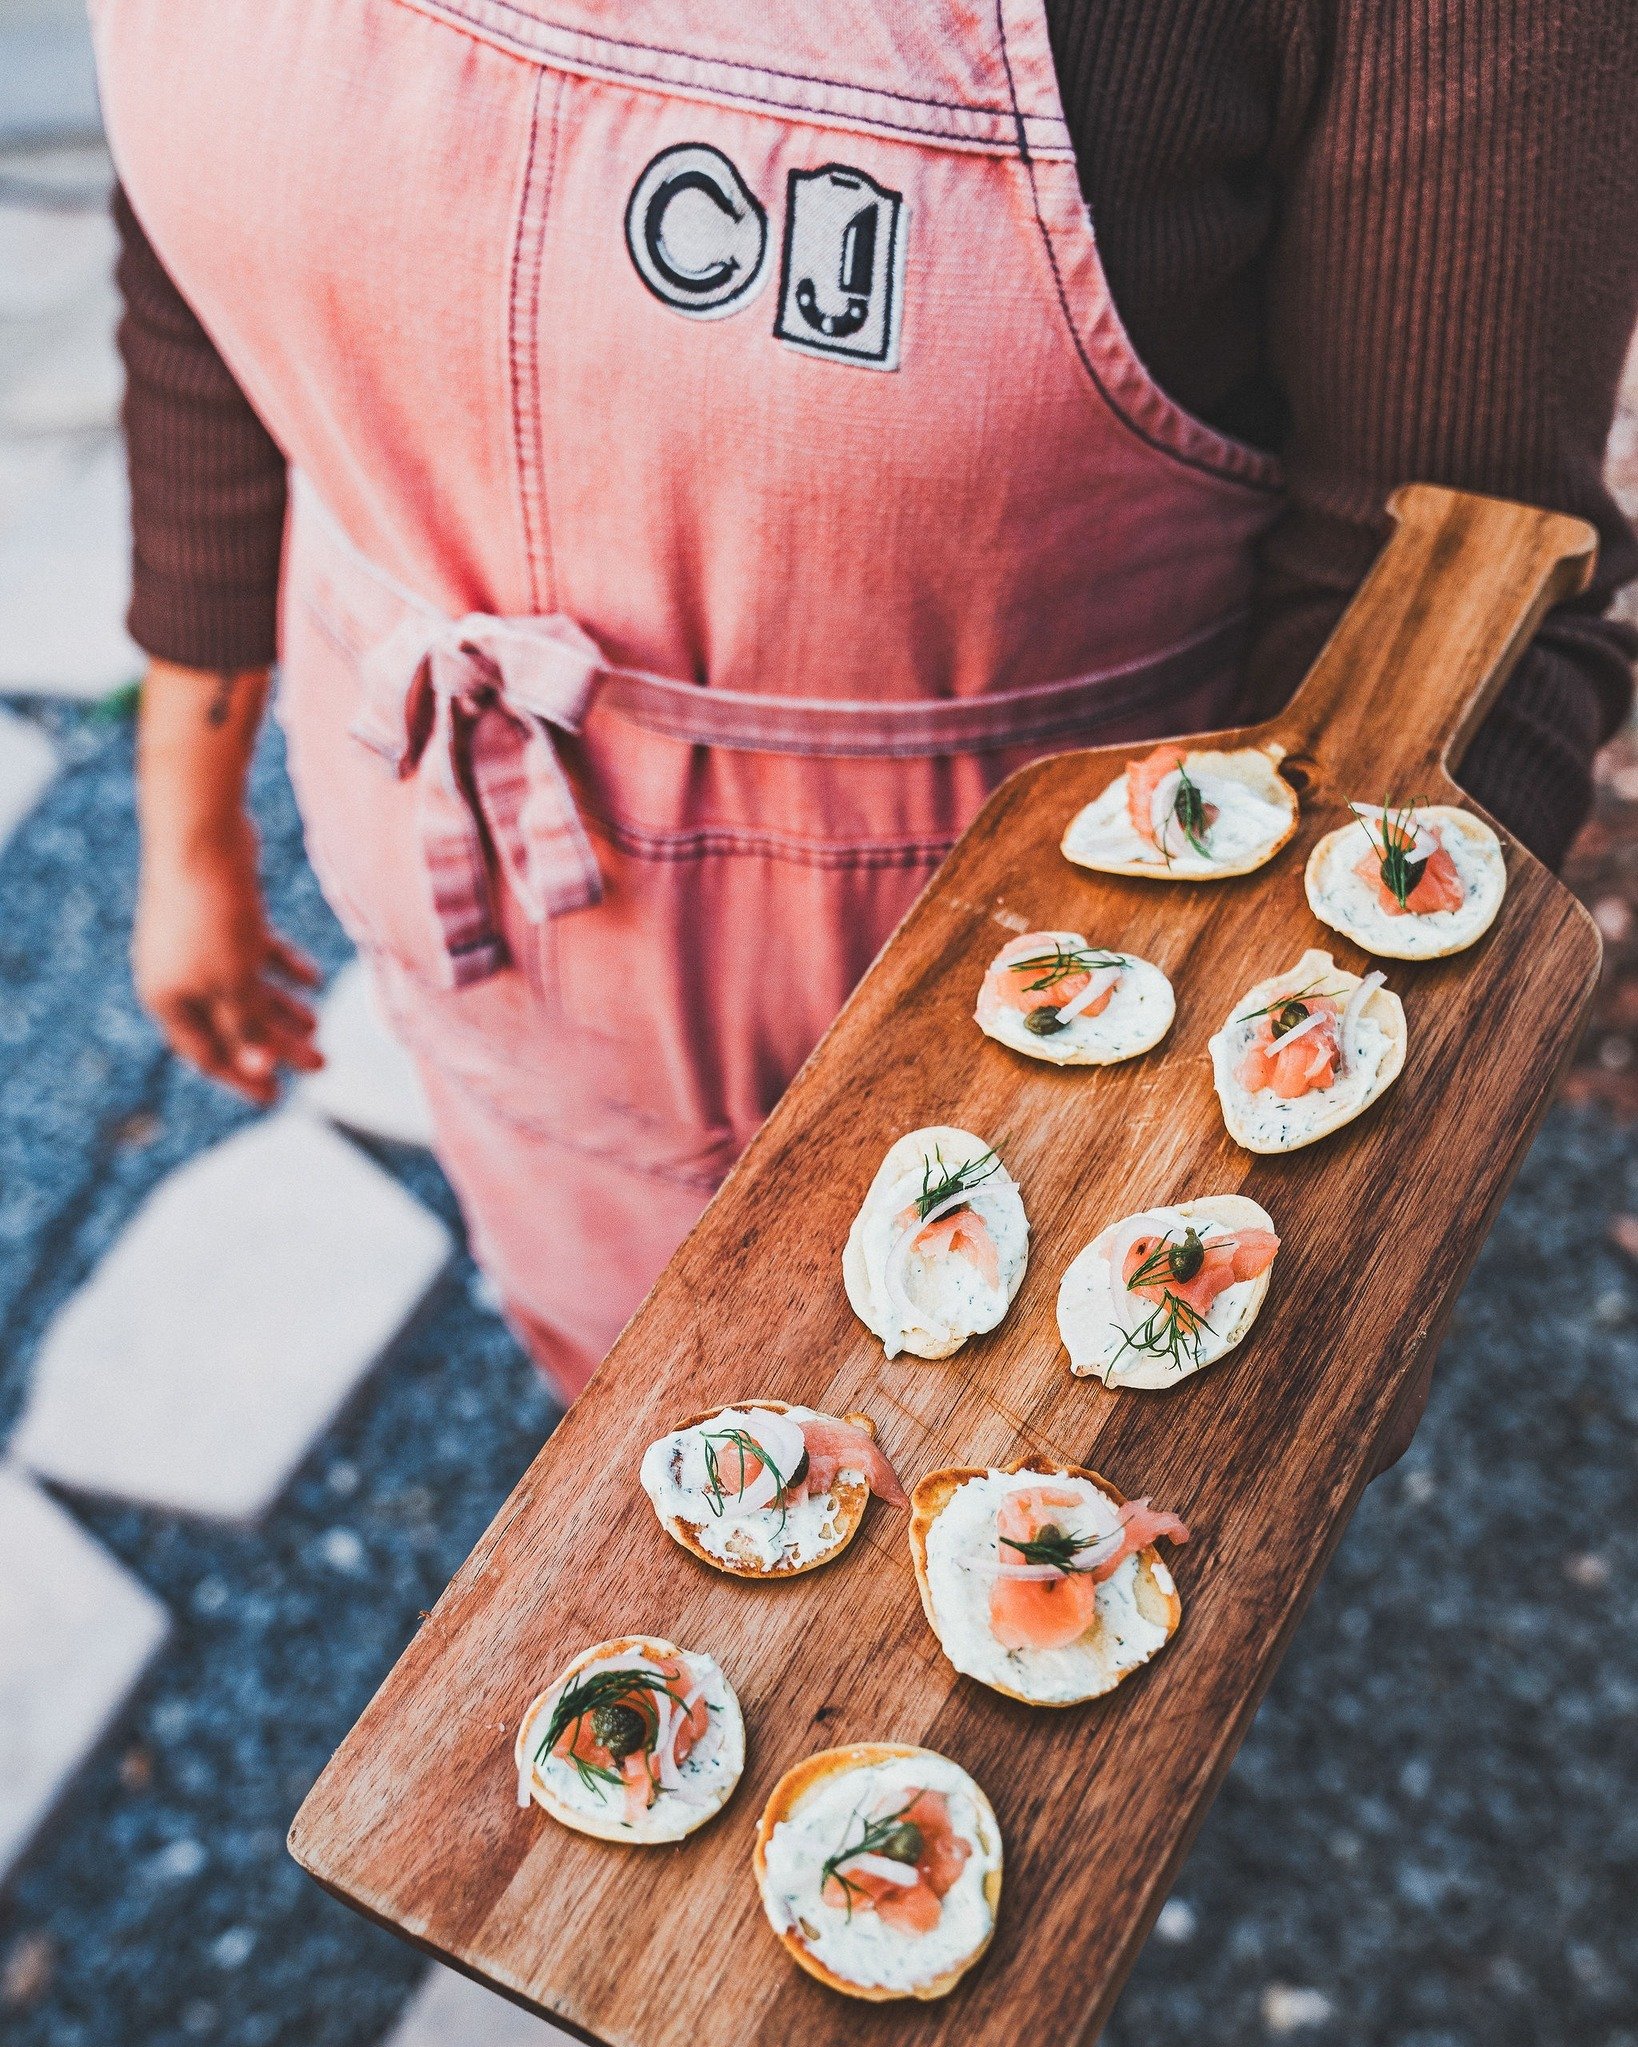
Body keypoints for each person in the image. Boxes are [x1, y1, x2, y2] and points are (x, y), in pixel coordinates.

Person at [101, 0, 1638, 1408]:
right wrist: (186, 812)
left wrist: (1232, 1223)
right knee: (612, 1404)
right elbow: (198, 248)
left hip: (1043, 1038)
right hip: (465, 910)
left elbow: (1442, 591)